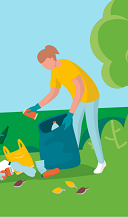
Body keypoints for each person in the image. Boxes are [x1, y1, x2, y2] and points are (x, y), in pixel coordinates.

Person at [27, 45, 106, 174]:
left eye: (45, 63)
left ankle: (101, 162)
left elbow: (80, 89)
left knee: (92, 129)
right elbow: (53, 93)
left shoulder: (67, 66)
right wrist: (37, 106)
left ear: (52, 58)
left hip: (90, 96)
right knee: (74, 130)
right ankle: (73, 159)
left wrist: (71, 113)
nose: (45, 66)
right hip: (78, 99)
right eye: (43, 65)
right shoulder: (54, 72)